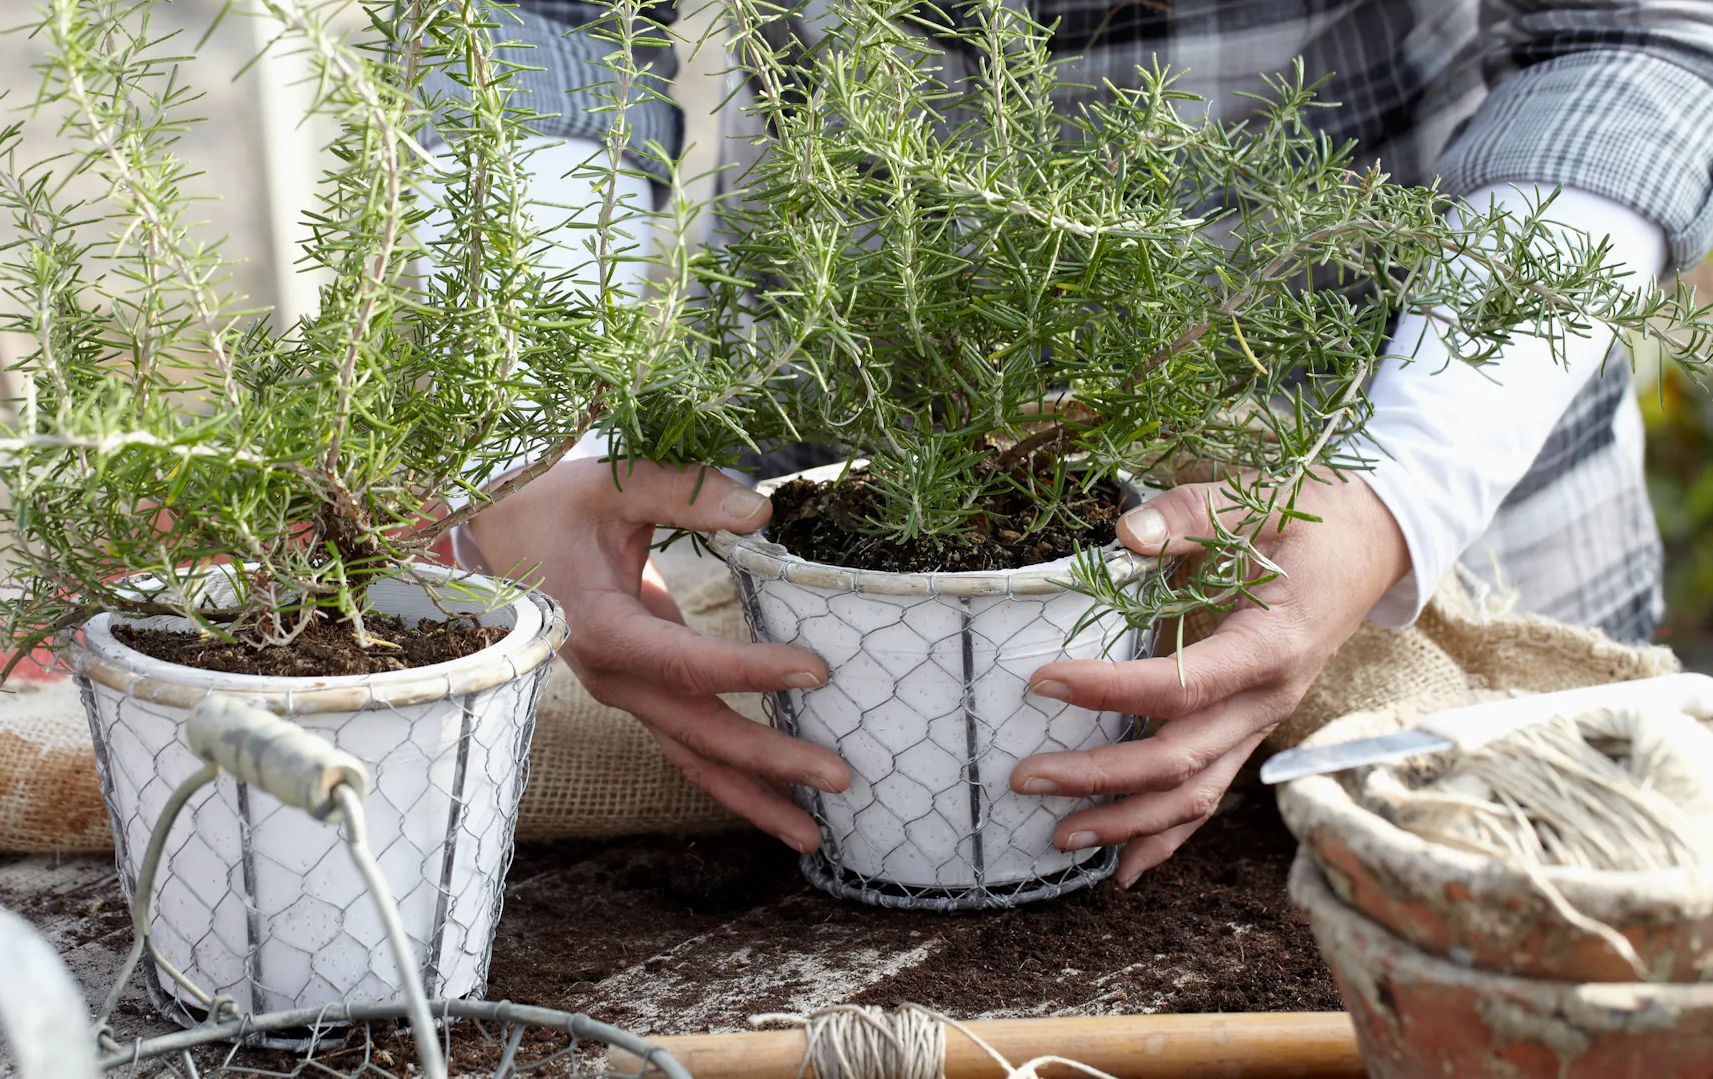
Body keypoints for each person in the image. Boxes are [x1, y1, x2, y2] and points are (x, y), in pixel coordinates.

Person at [447, 0, 1713, 887]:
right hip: (847, 421)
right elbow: (532, 23)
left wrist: (1401, 485)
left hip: (1402, 446)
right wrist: (533, 437)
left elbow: (1632, 33)